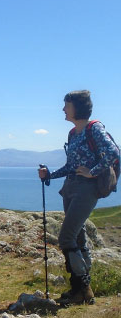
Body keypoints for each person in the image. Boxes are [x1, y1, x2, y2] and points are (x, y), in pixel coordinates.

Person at [38, 90, 119, 306]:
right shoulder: (73, 134)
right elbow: (71, 166)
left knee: (66, 237)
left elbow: (114, 153)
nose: (63, 109)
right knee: (79, 238)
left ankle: (84, 289)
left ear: (77, 107)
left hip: (87, 189)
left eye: (67, 105)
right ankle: (78, 290)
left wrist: (93, 171)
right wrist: (50, 175)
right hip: (71, 187)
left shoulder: (95, 128)